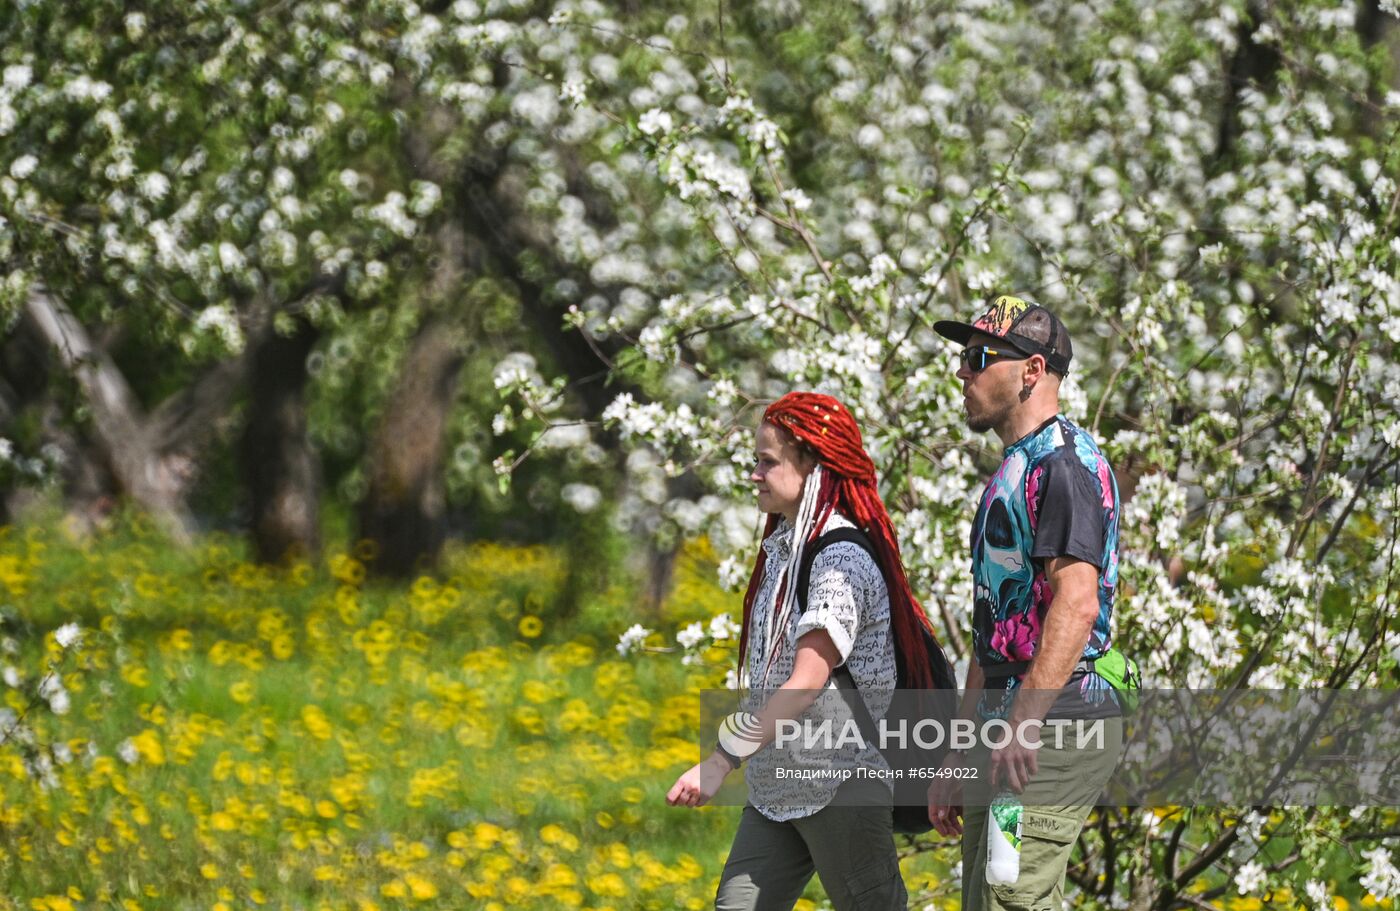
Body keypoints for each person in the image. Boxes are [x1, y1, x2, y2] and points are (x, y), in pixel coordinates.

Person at [666, 391, 939, 911]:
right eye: (755, 460)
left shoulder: (838, 559)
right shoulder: (785, 549)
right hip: (776, 788)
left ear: (814, 464)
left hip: (840, 784)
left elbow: (806, 682)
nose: (754, 473)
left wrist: (722, 760)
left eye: (767, 462)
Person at [926, 295, 1124, 911]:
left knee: (1014, 898)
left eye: (979, 357)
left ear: (1032, 372)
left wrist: (1026, 722)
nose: (963, 371)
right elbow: (999, 625)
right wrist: (960, 746)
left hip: (1054, 722)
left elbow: (1077, 605)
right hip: (1004, 720)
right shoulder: (1016, 468)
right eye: (962, 357)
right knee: (988, 901)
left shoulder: (1062, 465)